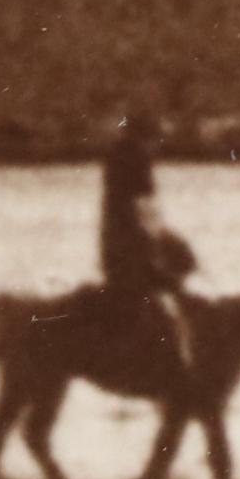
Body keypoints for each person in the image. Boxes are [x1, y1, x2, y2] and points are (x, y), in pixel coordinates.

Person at [97, 114, 196, 361]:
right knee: (176, 282)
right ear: (147, 139)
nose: (158, 146)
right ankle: (172, 357)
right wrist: (167, 240)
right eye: (156, 140)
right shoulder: (139, 161)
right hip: (132, 248)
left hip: (113, 245)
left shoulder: (115, 157)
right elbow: (145, 208)